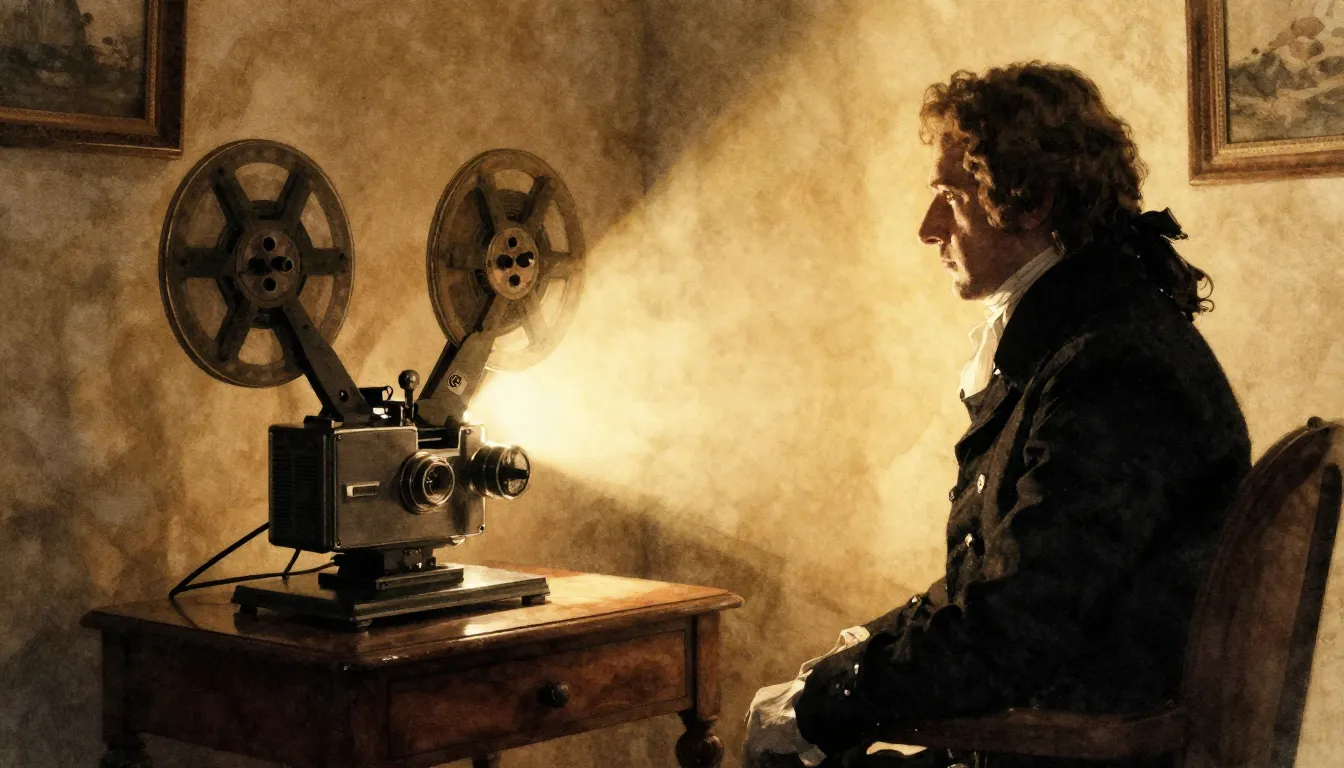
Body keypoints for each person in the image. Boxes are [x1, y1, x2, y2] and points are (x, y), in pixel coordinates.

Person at [742, 62, 1252, 768]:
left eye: (950, 198)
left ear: (1032, 201)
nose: (928, 229)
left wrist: (824, 702)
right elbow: (1002, 579)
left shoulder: (1112, 369)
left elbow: (1017, 629)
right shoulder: (1087, 338)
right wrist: (862, 650)